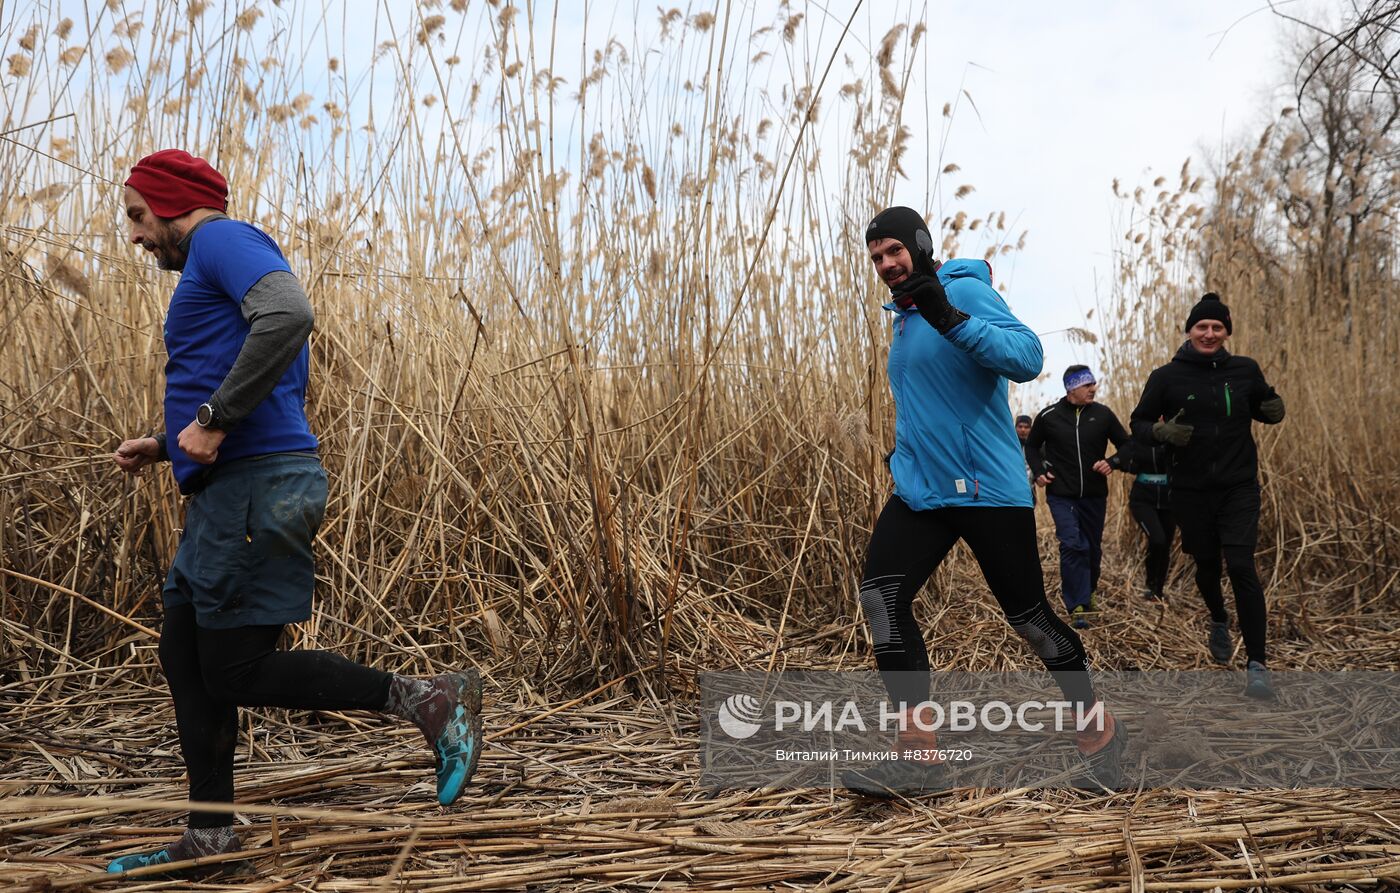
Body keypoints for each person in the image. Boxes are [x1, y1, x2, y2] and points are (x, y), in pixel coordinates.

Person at [108, 150, 484, 878]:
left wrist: (215, 415)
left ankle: (428, 698)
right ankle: (212, 836)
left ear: (173, 203)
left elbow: (290, 313)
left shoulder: (221, 239)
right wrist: (165, 443)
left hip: (257, 487)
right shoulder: (214, 263)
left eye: (137, 215)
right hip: (232, 489)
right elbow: (248, 365)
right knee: (184, 655)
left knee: (235, 669)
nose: (134, 235)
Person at [845, 206, 1125, 797]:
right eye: (876, 257)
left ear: (920, 245)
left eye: (894, 250)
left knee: (1030, 620)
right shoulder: (903, 314)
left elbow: (1026, 357)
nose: (887, 264)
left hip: (985, 490)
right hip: (922, 491)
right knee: (881, 597)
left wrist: (948, 315)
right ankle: (918, 758)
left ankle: (1098, 732)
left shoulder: (961, 289)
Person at [1129, 293, 1284, 698]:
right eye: (1202, 326)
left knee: (1241, 565)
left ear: (1227, 331)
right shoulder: (1166, 377)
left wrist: (1271, 407)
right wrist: (1160, 432)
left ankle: (1257, 665)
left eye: (1217, 327)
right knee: (1207, 564)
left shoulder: (1245, 369)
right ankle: (1218, 617)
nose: (1210, 333)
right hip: (1190, 489)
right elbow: (1139, 422)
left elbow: (1263, 404)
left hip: (1238, 485)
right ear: (1190, 330)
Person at [1023, 367, 1130, 628]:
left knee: (1091, 547)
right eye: (1086, 385)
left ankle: (1088, 591)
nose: (1093, 388)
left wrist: (1112, 462)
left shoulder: (1103, 415)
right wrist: (1038, 471)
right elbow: (1033, 447)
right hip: (1062, 495)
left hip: (1094, 495)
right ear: (1071, 388)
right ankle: (1077, 604)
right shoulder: (1049, 416)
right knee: (1073, 544)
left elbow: (1127, 445)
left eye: (1094, 383)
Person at [1105, 438, 1175, 602]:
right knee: (1158, 539)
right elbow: (1121, 456)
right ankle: (1150, 583)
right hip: (1142, 500)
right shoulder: (1139, 437)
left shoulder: (1175, 438)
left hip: (1170, 500)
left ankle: (1158, 590)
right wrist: (1110, 463)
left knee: (1165, 545)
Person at [1015, 414, 1036, 505]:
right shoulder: (1010, 445)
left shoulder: (1037, 446)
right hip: (1012, 488)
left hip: (1029, 488)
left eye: (1026, 427)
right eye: (1020, 426)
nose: (1023, 430)